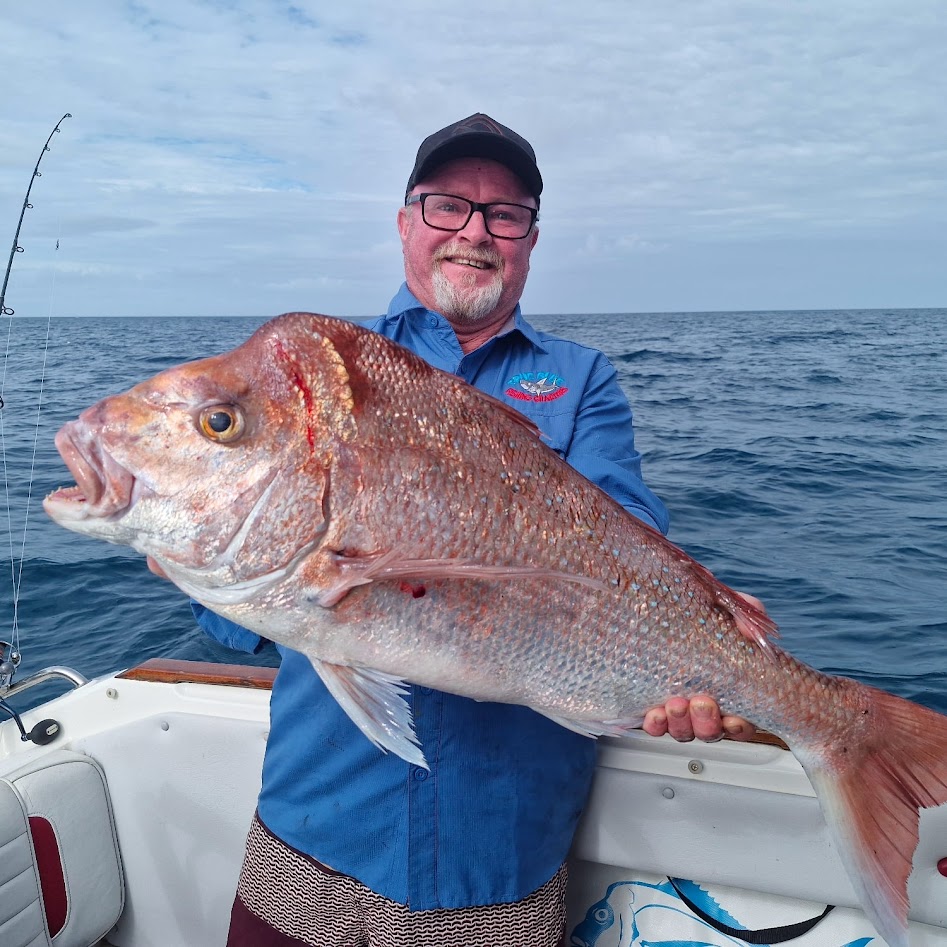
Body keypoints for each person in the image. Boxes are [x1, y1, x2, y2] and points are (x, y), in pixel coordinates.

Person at [186, 114, 757, 947]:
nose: (475, 233)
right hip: (311, 827)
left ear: (529, 238)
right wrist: (197, 549)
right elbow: (226, 623)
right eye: (448, 205)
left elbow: (633, 551)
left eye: (505, 213)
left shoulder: (580, 380)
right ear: (406, 222)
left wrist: (691, 659)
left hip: (496, 857)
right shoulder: (316, 378)